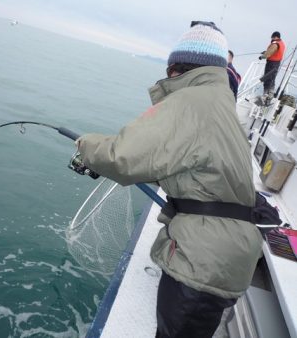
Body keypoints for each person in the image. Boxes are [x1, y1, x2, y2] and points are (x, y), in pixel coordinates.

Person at [76, 21, 263, 337]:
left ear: (176, 67)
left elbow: (121, 156)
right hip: (224, 256)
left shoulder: (191, 101)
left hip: (204, 261)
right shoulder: (220, 102)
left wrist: (83, 144)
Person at [259, 31, 286, 102]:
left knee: (267, 78)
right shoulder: (281, 43)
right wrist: (266, 51)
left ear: (275, 37)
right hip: (277, 63)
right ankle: (270, 94)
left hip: (271, 63)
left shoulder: (275, 44)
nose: (272, 38)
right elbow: (274, 52)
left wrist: (262, 56)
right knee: (272, 79)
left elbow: (269, 53)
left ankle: (265, 95)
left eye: (272, 37)